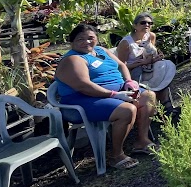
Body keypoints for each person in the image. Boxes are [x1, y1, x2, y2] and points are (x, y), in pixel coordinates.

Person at [54, 24, 157, 169]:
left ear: (96, 38)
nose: (87, 42)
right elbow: (84, 86)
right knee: (127, 110)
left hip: (114, 92)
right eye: (80, 39)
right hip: (82, 101)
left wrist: (129, 81)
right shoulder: (73, 59)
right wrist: (115, 94)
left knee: (148, 96)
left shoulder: (100, 50)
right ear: (72, 42)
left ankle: (142, 141)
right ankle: (116, 155)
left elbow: (121, 65)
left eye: (91, 38)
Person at [116, 12, 176, 112]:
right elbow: (121, 66)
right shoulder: (126, 43)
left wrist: (155, 58)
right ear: (135, 25)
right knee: (156, 77)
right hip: (133, 72)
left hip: (148, 68)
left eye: (150, 23)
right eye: (143, 23)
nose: (147, 25)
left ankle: (165, 105)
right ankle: (161, 107)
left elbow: (151, 54)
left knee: (165, 69)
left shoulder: (151, 36)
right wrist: (142, 63)